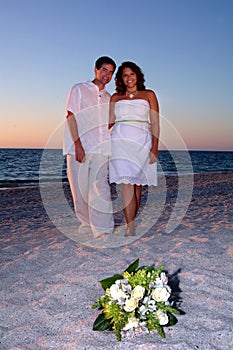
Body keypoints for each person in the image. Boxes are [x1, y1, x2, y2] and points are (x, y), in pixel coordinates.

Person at [63, 56, 117, 238]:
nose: (107, 75)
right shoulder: (79, 89)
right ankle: (86, 225)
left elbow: (108, 124)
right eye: (104, 70)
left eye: (111, 72)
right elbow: (70, 116)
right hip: (79, 147)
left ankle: (103, 229)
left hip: (101, 148)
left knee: (100, 187)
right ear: (95, 69)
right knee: (79, 189)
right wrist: (77, 144)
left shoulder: (109, 98)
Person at [109, 61, 159, 236]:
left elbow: (155, 123)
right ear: (121, 79)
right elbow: (108, 122)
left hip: (142, 141)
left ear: (138, 75)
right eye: (125, 75)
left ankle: (132, 223)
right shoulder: (115, 98)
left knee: (137, 184)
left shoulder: (149, 95)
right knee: (127, 183)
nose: (128, 78)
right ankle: (130, 227)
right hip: (119, 141)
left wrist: (155, 147)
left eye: (131, 74)